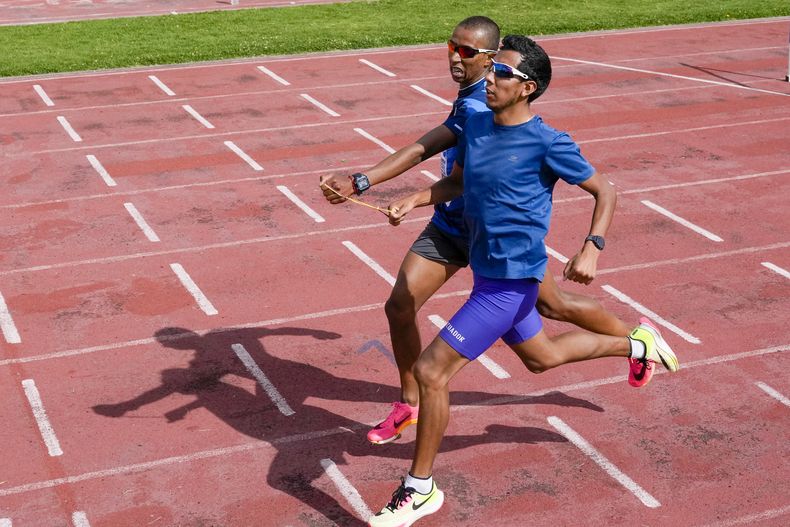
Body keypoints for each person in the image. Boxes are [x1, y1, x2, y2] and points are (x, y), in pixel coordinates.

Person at [366, 35, 680, 527]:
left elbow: (606, 192)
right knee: (542, 358)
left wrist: (591, 249)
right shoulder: (476, 125)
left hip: (512, 282)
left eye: (501, 74)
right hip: (486, 270)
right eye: (491, 71)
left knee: (431, 372)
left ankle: (419, 489)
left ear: (527, 87)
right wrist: (417, 199)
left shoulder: (549, 142)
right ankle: (637, 345)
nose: (489, 78)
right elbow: (461, 181)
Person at [321, 17, 646, 448]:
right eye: (452, 47)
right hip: (452, 227)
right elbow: (433, 154)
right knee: (401, 304)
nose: (456, 57)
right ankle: (409, 404)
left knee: (553, 315)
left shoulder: (489, 108)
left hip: (494, 237)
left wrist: (593, 245)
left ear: (496, 62)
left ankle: (636, 340)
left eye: (468, 52)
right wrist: (383, 188)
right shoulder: (474, 103)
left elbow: (428, 147)